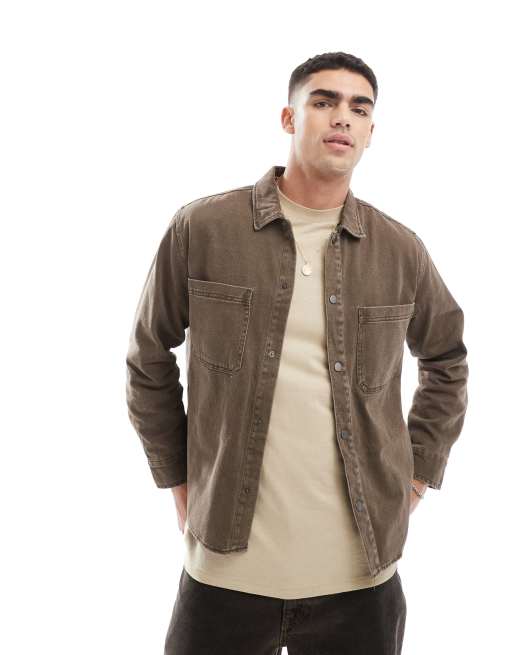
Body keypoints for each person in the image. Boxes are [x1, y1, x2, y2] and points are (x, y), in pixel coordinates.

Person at [125, 51, 469, 655]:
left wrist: (415, 477)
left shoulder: (399, 250)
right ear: (289, 118)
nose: (342, 117)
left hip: (361, 581)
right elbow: (148, 356)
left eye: (359, 108)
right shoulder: (204, 228)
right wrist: (177, 478)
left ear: (370, 131)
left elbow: (446, 360)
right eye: (323, 101)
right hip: (224, 573)